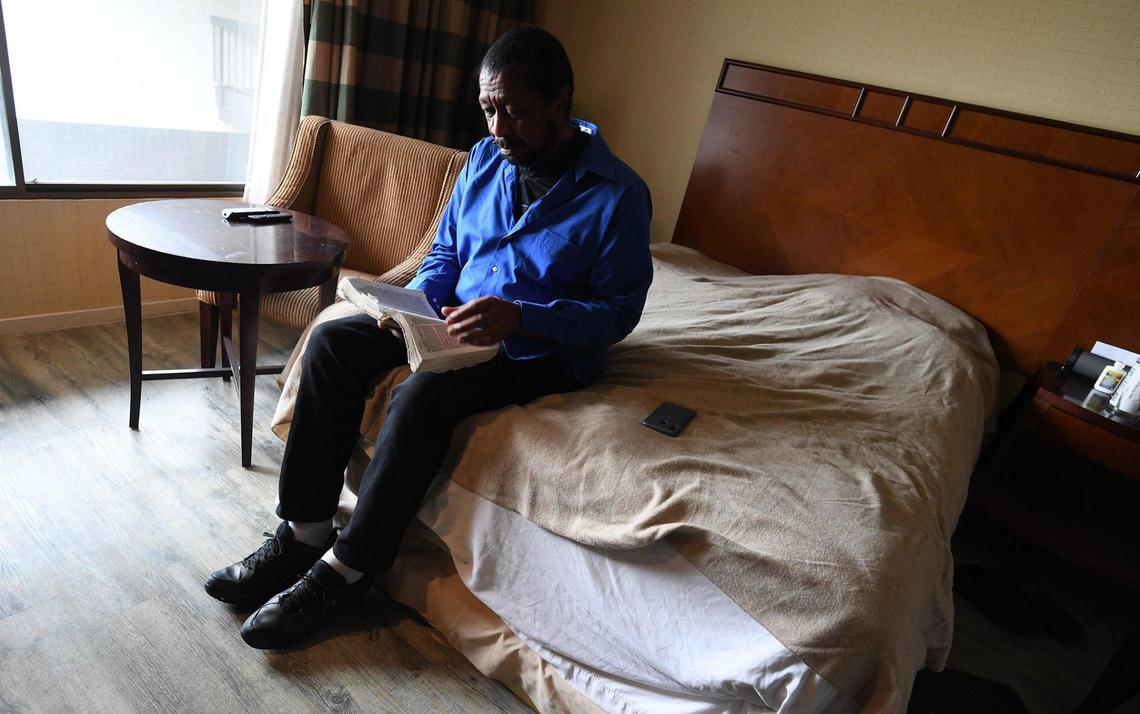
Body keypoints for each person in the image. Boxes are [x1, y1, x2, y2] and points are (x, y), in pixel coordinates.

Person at [204, 26, 653, 650]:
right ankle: (305, 531)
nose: (499, 128)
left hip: (541, 348)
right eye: (488, 109)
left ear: (562, 102)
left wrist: (523, 316)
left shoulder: (620, 196)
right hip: (451, 321)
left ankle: (349, 567)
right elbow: (444, 250)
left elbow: (617, 312)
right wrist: (420, 302)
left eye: (516, 113)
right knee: (335, 343)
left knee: (422, 396)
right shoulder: (484, 159)